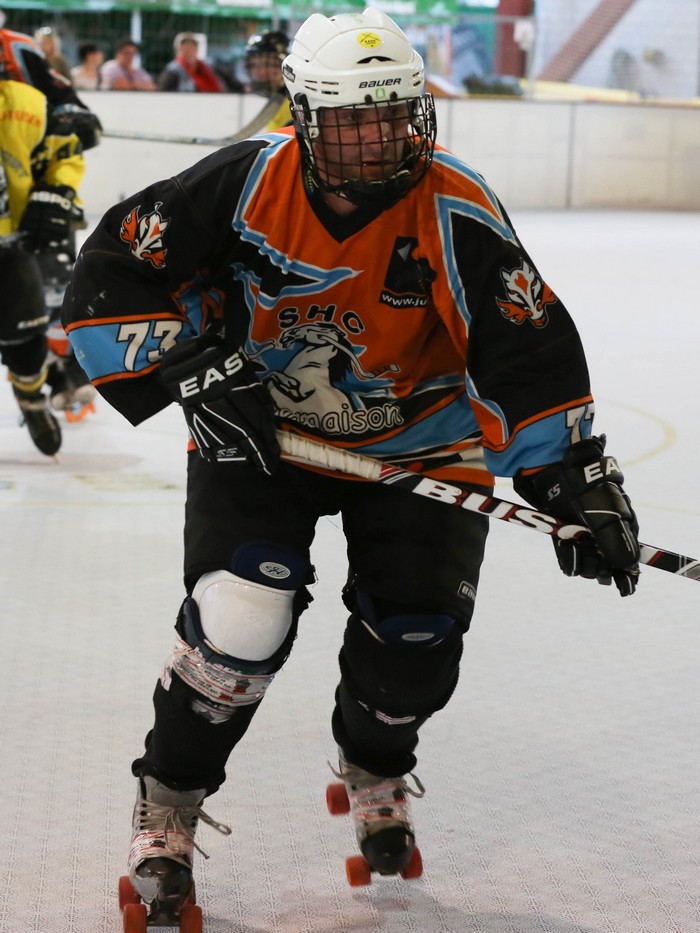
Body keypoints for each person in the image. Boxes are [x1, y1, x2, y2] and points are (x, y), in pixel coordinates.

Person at [62, 6, 640, 923]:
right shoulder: (242, 183)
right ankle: (166, 802)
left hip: (423, 443)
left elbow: (525, 350)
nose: (377, 139)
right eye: (350, 119)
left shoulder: (455, 206)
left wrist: (573, 475)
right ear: (302, 114)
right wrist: (193, 369)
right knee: (241, 614)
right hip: (261, 435)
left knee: (416, 640)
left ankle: (375, 763)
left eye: (394, 113)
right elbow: (113, 266)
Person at [1, 74, 85, 455]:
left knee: (26, 345)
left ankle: (32, 399)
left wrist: (57, 191)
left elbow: (64, 151)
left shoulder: (25, 103)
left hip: (9, 247)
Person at [243, 28, 291, 129]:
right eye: (254, 65)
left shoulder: (293, 105)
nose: (260, 72)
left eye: (268, 64)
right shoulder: (277, 101)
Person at [157, 32, 225, 93]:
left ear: (196, 49)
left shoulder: (209, 66)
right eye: (185, 47)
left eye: (192, 46)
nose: (188, 51)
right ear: (178, 50)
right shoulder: (173, 70)